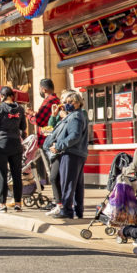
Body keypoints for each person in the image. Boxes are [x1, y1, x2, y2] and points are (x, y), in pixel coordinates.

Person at [48, 90, 88, 219]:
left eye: (70, 102)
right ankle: (78, 210)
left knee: (68, 183)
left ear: (77, 103)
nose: (66, 104)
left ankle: (66, 210)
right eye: (65, 102)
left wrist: (58, 146)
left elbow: (74, 136)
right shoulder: (76, 115)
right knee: (77, 184)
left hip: (71, 153)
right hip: (78, 153)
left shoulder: (75, 116)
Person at [0, 86, 26, 213]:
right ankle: (18, 203)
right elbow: (23, 127)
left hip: (1, 144)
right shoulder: (20, 109)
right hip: (16, 144)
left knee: (2, 174)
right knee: (17, 175)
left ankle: (2, 204)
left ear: (3, 96)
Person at [34, 79, 59, 144]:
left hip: (46, 139)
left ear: (44, 90)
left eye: (39, 89)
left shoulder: (49, 101)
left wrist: (29, 115)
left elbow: (38, 121)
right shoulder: (57, 99)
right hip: (53, 136)